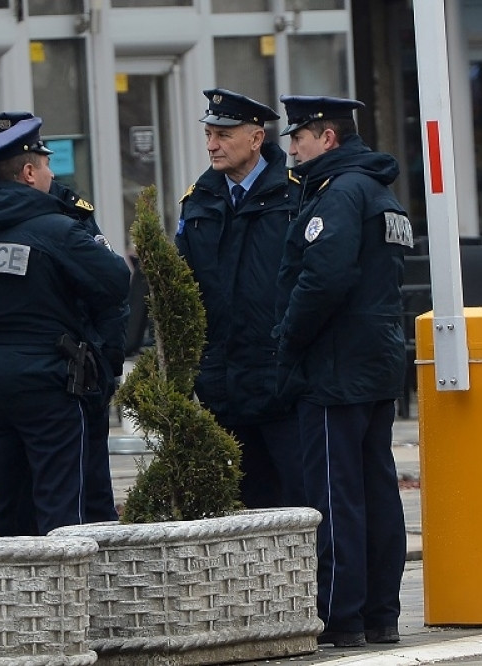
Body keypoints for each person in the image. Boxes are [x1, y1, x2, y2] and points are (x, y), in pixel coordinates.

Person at [273, 95, 410, 647]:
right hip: (375, 359)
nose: (293, 147)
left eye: (299, 137)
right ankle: (381, 612)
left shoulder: (340, 193)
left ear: (327, 137)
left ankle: (339, 614)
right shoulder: (380, 192)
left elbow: (323, 278)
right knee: (378, 489)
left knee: (336, 493)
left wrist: (287, 340)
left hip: (334, 365)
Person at [0, 116, 130, 536]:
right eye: (46, 166)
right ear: (29, 173)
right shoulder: (56, 229)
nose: (52, 174)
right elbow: (116, 281)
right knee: (61, 511)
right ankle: (63, 600)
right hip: (48, 384)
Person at [175, 88, 303, 509]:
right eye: (209, 134)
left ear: (256, 137)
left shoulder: (296, 195)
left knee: (300, 505)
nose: (212, 145)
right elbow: (184, 290)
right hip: (222, 385)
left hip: (282, 384)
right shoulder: (198, 201)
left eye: (223, 135)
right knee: (243, 510)